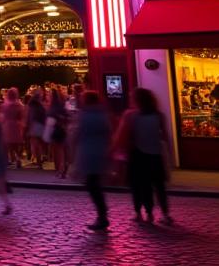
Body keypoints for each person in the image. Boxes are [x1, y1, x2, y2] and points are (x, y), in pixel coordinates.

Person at [115, 87, 173, 225]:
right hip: (155, 154)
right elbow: (165, 136)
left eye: (132, 98)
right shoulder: (159, 115)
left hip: (138, 154)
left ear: (137, 100)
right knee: (159, 186)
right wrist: (169, 154)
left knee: (140, 185)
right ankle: (165, 214)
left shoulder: (131, 115)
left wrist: (116, 149)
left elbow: (123, 135)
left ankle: (145, 213)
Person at [73, 91, 112, 232]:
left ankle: (102, 215)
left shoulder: (83, 115)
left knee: (92, 185)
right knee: (95, 183)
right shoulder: (103, 114)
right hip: (101, 152)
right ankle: (102, 213)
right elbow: (108, 133)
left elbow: (77, 134)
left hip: (87, 153)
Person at [1, 88, 26, 169]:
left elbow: (3, 116)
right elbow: (22, 116)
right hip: (16, 125)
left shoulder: (5, 105)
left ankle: (7, 159)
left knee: (7, 144)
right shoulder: (19, 105)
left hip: (7, 125)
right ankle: (18, 158)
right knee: (16, 144)